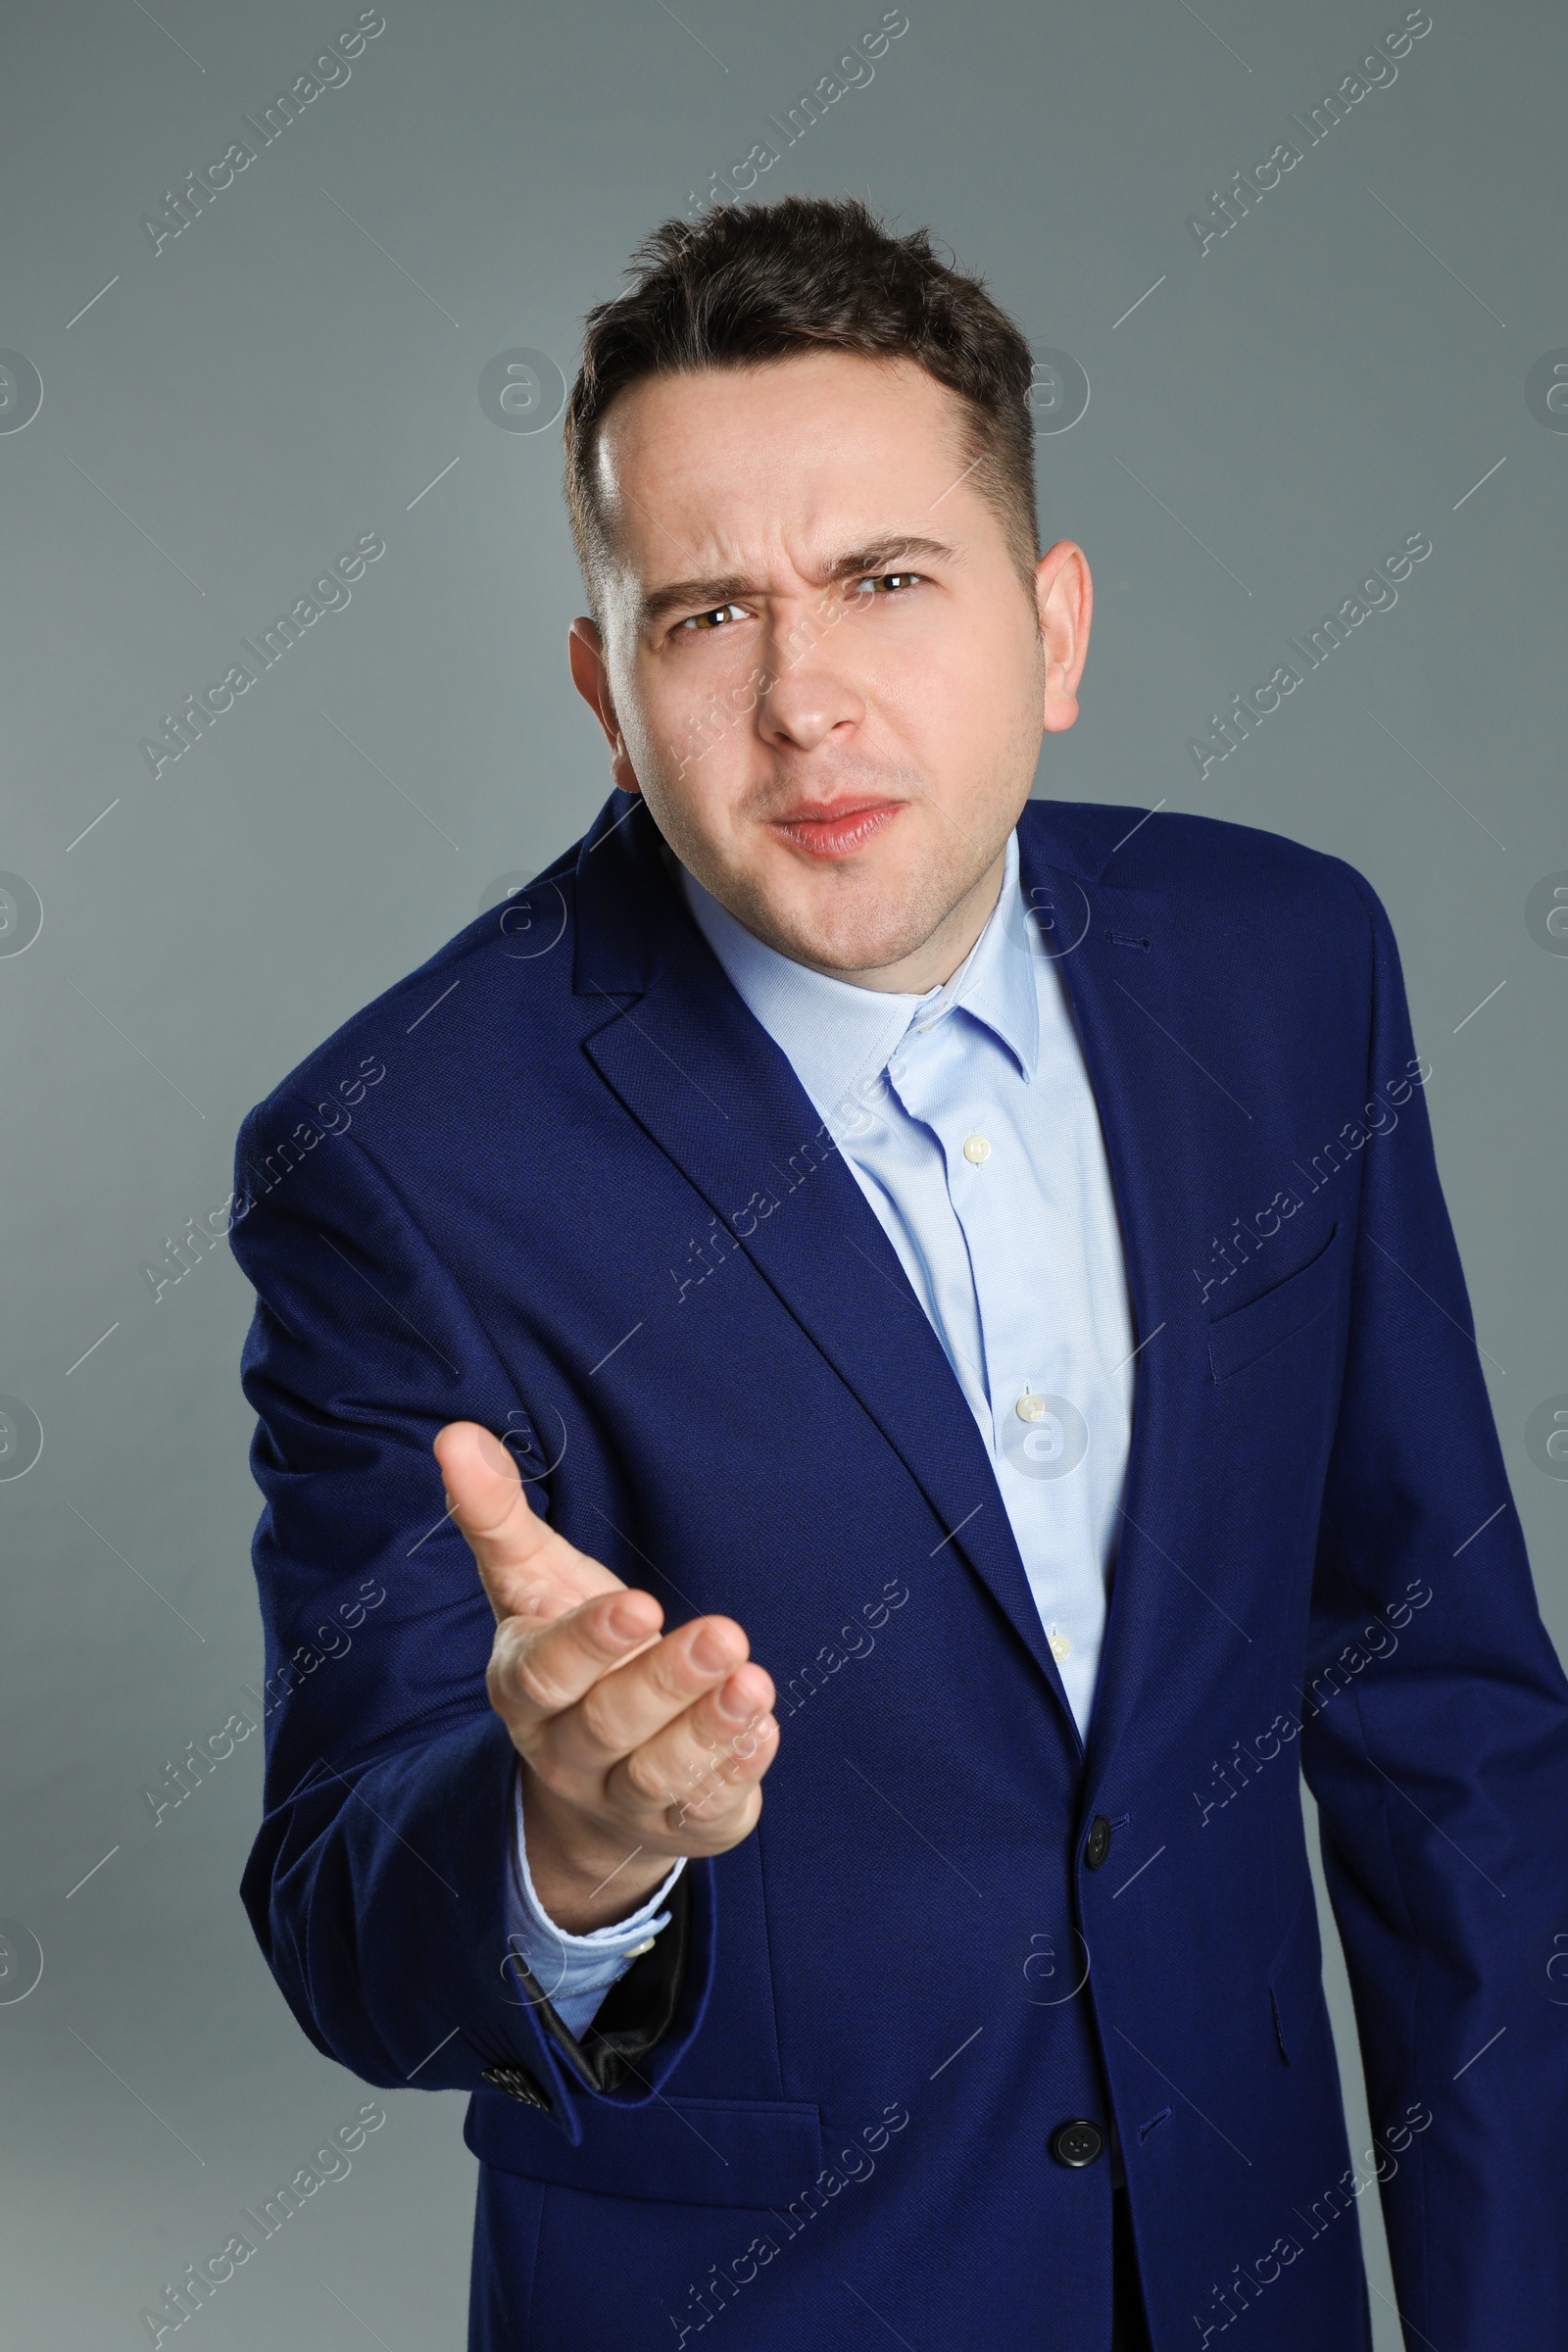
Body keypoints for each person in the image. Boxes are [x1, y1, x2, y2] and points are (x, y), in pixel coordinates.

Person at [229, 196, 1568, 2351]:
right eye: (701, 617)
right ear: (604, 692)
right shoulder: (399, 1154)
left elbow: (1443, 1720)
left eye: (879, 582)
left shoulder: (1286, 967)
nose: (800, 702)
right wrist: (569, 1846)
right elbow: (340, 1926)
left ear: (1050, 630)